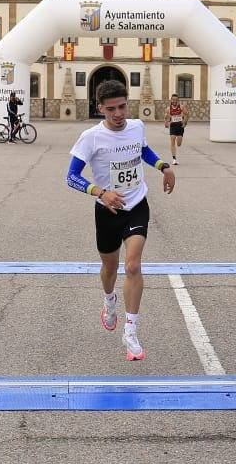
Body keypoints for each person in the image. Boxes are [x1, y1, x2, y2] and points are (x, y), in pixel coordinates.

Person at [66, 80, 176, 361]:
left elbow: (143, 151)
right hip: (107, 211)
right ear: (100, 108)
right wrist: (100, 193)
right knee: (109, 268)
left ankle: (131, 331)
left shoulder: (137, 127)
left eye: (122, 106)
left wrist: (163, 166)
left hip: (136, 204)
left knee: (133, 265)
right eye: (111, 109)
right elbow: (71, 177)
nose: (118, 114)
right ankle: (109, 300)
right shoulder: (91, 137)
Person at [164, 93, 187, 164]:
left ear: (178, 100)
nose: (174, 101)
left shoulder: (181, 107)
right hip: (173, 126)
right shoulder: (168, 109)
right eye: (173, 100)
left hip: (180, 126)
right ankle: (174, 159)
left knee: (179, 144)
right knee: (172, 141)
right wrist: (166, 123)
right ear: (171, 100)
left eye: (176, 100)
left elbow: (187, 114)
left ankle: (179, 141)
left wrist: (184, 123)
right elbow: (165, 117)